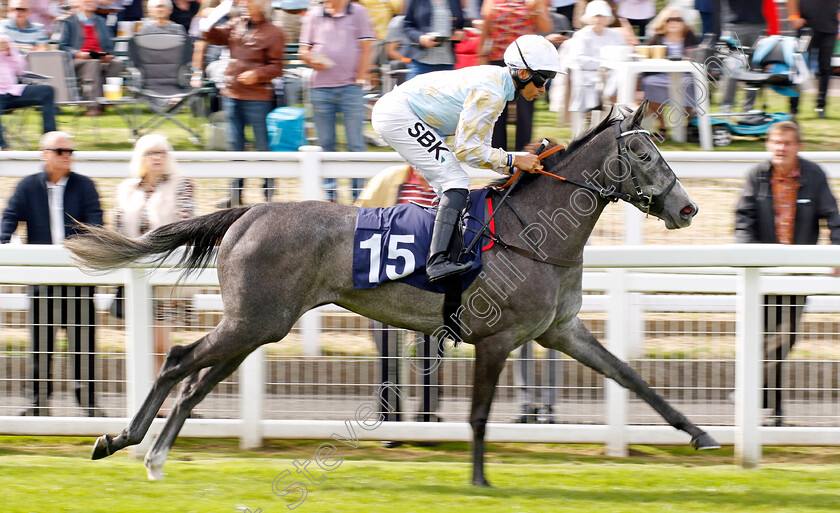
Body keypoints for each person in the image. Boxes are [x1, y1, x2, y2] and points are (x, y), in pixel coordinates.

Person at [371, 34, 562, 282]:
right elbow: (466, 151)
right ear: (523, 74)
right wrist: (514, 160)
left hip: (401, 112)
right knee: (455, 180)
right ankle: (438, 261)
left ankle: (440, 253)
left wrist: (510, 166)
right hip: (398, 114)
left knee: (449, 183)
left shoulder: (499, 88)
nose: (543, 88)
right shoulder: (491, 92)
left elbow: (479, 149)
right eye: (542, 80)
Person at [734, 121, 840, 426]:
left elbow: (833, 216)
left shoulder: (814, 176)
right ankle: (772, 411)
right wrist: (749, 255)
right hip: (762, 273)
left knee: (783, 338)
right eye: (776, 142)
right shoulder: (756, 176)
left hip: (798, 273)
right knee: (767, 338)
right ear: (768, 145)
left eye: (788, 143)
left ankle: (755, 398)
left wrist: (836, 251)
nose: (781, 148)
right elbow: (743, 219)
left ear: (798, 147)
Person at [0, 131, 103, 417]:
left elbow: (96, 222)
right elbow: (9, 217)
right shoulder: (28, 187)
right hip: (42, 279)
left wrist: (86, 247)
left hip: (78, 278)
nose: (66, 156)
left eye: (70, 151)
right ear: (44, 154)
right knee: (40, 345)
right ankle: (38, 404)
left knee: (83, 344)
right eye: (60, 151)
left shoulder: (84, 186)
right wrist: (5, 242)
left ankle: (88, 403)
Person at [355, 164, 442, 445]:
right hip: (386, 289)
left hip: (432, 291)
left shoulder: (448, 182)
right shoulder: (388, 180)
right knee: (389, 358)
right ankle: (390, 423)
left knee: (430, 358)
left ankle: (427, 421)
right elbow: (359, 221)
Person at [113, 134, 195, 375]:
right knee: (144, 344)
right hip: (138, 275)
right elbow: (118, 228)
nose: (157, 157)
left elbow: (186, 224)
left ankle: (183, 393)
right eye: (151, 153)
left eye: (162, 152)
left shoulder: (182, 184)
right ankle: (161, 404)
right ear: (141, 157)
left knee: (160, 343)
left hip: (167, 277)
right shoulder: (127, 188)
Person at [202, 0, 285, 207]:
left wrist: (257, 75)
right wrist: (212, 17)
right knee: (235, 147)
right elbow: (213, 36)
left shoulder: (274, 33)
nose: (245, 4)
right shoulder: (235, 24)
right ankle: (235, 194)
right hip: (231, 95)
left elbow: (277, 67)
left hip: (258, 98)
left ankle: (268, 195)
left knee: (262, 147)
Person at [299, 0, 374, 202]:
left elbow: (367, 47)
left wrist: (360, 77)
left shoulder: (358, 12)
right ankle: (330, 196)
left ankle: (358, 195)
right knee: (325, 145)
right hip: (320, 88)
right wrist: (311, 59)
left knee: (355, 144)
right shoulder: (314, 14)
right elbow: (303, 50)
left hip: (351, 88)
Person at [478, 0, 552, 152]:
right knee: (497, 113)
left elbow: (546, 27)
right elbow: (486, 28)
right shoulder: (492, 1)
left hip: (526, 64)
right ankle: (498, 158)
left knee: (525, 114)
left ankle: (522, 158)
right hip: (498, 62)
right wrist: (481, 55)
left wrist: (538, 9)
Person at [566, 0, 628, 134]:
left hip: (612, 73)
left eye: (602, 16)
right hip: (588, 74)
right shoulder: (581, 35)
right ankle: (600, 109)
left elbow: (623, 52)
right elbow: (579, 59)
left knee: (623, 78)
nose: (599, 19)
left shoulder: (615, 35)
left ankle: (619, 118)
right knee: (598, 84)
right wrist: (602, 63)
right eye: (596, 16)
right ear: (590, 18)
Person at [640, 7, 700, 136]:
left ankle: (688, 124)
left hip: (685, 75)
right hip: (660, 75)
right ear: (663, 22)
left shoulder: (690, 37)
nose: (674, 22)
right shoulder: (657, 37)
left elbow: (698, 56)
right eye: (670, 19)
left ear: (683, 22)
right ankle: (662, 125)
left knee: (689, 84)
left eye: (678, 19)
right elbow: (645, 57)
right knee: (649, 83)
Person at [57, 0, 123, 112]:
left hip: (98, 58)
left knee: (116, 63)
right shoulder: (69, 22)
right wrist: (78, 54)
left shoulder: (101, 21)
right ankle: (92, 105)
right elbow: (63, 47)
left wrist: (107, 55)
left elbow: (109, 46)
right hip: (78, 60)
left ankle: (108, 102)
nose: (90, 2)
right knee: (93, 63)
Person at [0, 33, 56, 151]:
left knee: (47, 91)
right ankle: (3, 146)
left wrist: (10, 51)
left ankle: (50, 143)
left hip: (12, 90)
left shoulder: (4, 39)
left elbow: (20, 70)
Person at [786, 0, 839, 119]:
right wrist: (794, 16)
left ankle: (821, 107)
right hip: (806, 27)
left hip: (829, 29)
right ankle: (793, 109)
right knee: (799, 68)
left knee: (825, 69)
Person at [402, 0, 465, 79]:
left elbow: (460, 24)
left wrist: (459, 33)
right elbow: (407, 25)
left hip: (447, 63)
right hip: (421, 62)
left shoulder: (455, 1)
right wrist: (420, 38)